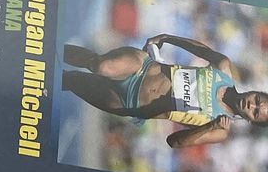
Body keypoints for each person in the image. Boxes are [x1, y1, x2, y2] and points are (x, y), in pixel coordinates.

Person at [61, 34, 268, 146]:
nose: (251, 105)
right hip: (142, 67)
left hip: (130, 103)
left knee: (69, 80)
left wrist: (209, 126)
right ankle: (52, 45)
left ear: (251, 120)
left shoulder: (220, 131)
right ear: (256, 92)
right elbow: (199, 48)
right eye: (257, 100)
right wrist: (167, 38)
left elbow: (174, 142)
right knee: (100, 65)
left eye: (255, 112)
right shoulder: (223, 68)